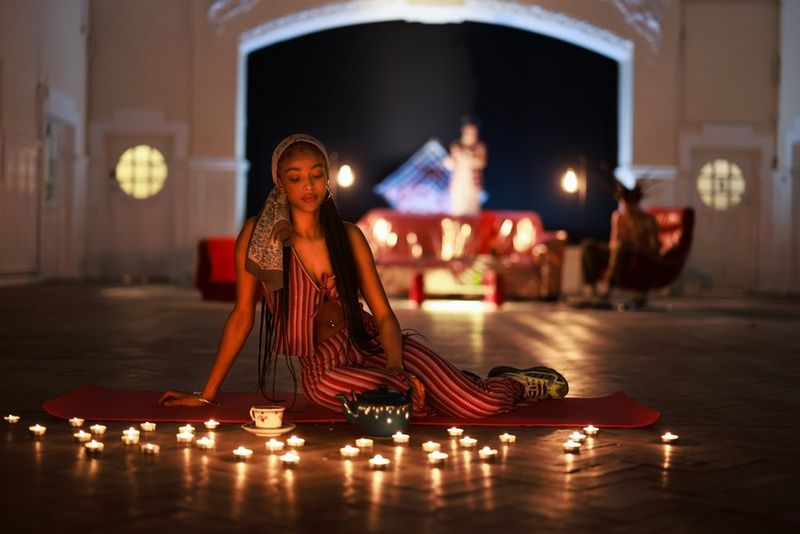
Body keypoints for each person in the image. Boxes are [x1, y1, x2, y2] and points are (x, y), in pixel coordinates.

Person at [159, 134, 567, 417]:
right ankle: (438, 387)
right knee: (325, 392)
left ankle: (516, 383)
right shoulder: (258, 235)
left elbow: (385, 316)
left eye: (317, 174)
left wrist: (395, 369)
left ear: (327, 176)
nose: (308, 186)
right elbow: (243, 316)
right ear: (279, 182)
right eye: (296, 177)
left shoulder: (349, 236)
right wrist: (207, 395)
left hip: (372, 344)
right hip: (325, 364)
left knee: (477, 407)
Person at [580, 182, 661, 308]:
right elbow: (613, 241)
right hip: (617, 253)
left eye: (630, 204)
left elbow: (654, 246)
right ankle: (590, 288)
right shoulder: (618, 217)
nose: (627, 207)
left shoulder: (647, 219)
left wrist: (636, 245)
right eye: (625, 203)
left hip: (636, 256)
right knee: (588, 246)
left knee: (621, 246)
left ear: (636, 203)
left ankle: (608, 286)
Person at [445, 118, 487, 216]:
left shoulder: (479, 146)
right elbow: (451, 164)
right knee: (458, 210)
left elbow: (480, 162)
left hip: (472, 184)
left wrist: (464, 155)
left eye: (473, 130)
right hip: (458, 183)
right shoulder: (456, 146)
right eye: (468, 130)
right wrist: (448, 162)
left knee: (472, 211)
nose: (471, 133)